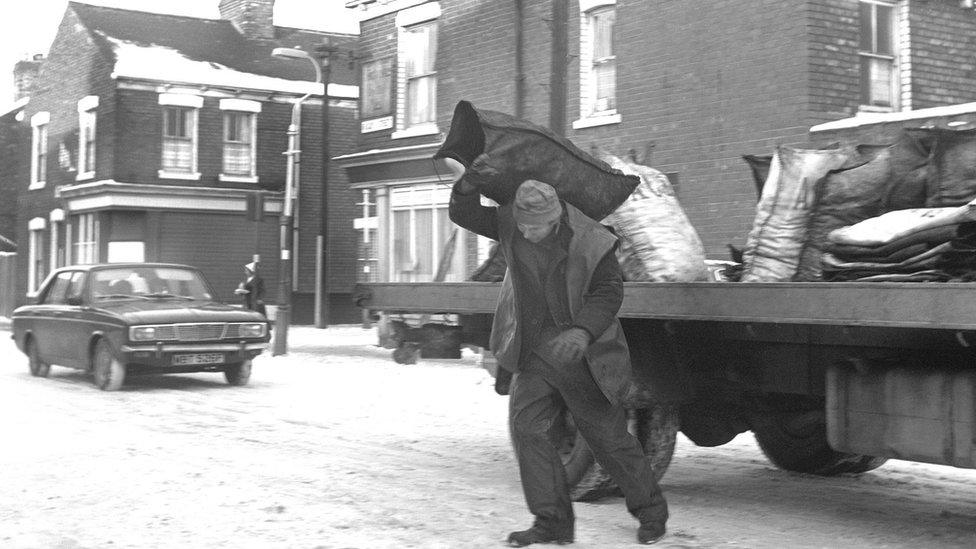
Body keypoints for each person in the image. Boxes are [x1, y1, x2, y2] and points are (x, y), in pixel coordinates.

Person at [449, 177, 668, 546]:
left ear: (555, 220)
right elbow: (466, 214)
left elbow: (609, 291)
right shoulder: (510, 222)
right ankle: (551, 522)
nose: (527, 234)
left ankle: (651, 513)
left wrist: (582, 331)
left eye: (535, 229)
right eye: (522, 226)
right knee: (528, 430)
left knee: (608, 441)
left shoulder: (592, 240)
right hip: (534, 352)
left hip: (582, 356)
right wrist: (467, 188)